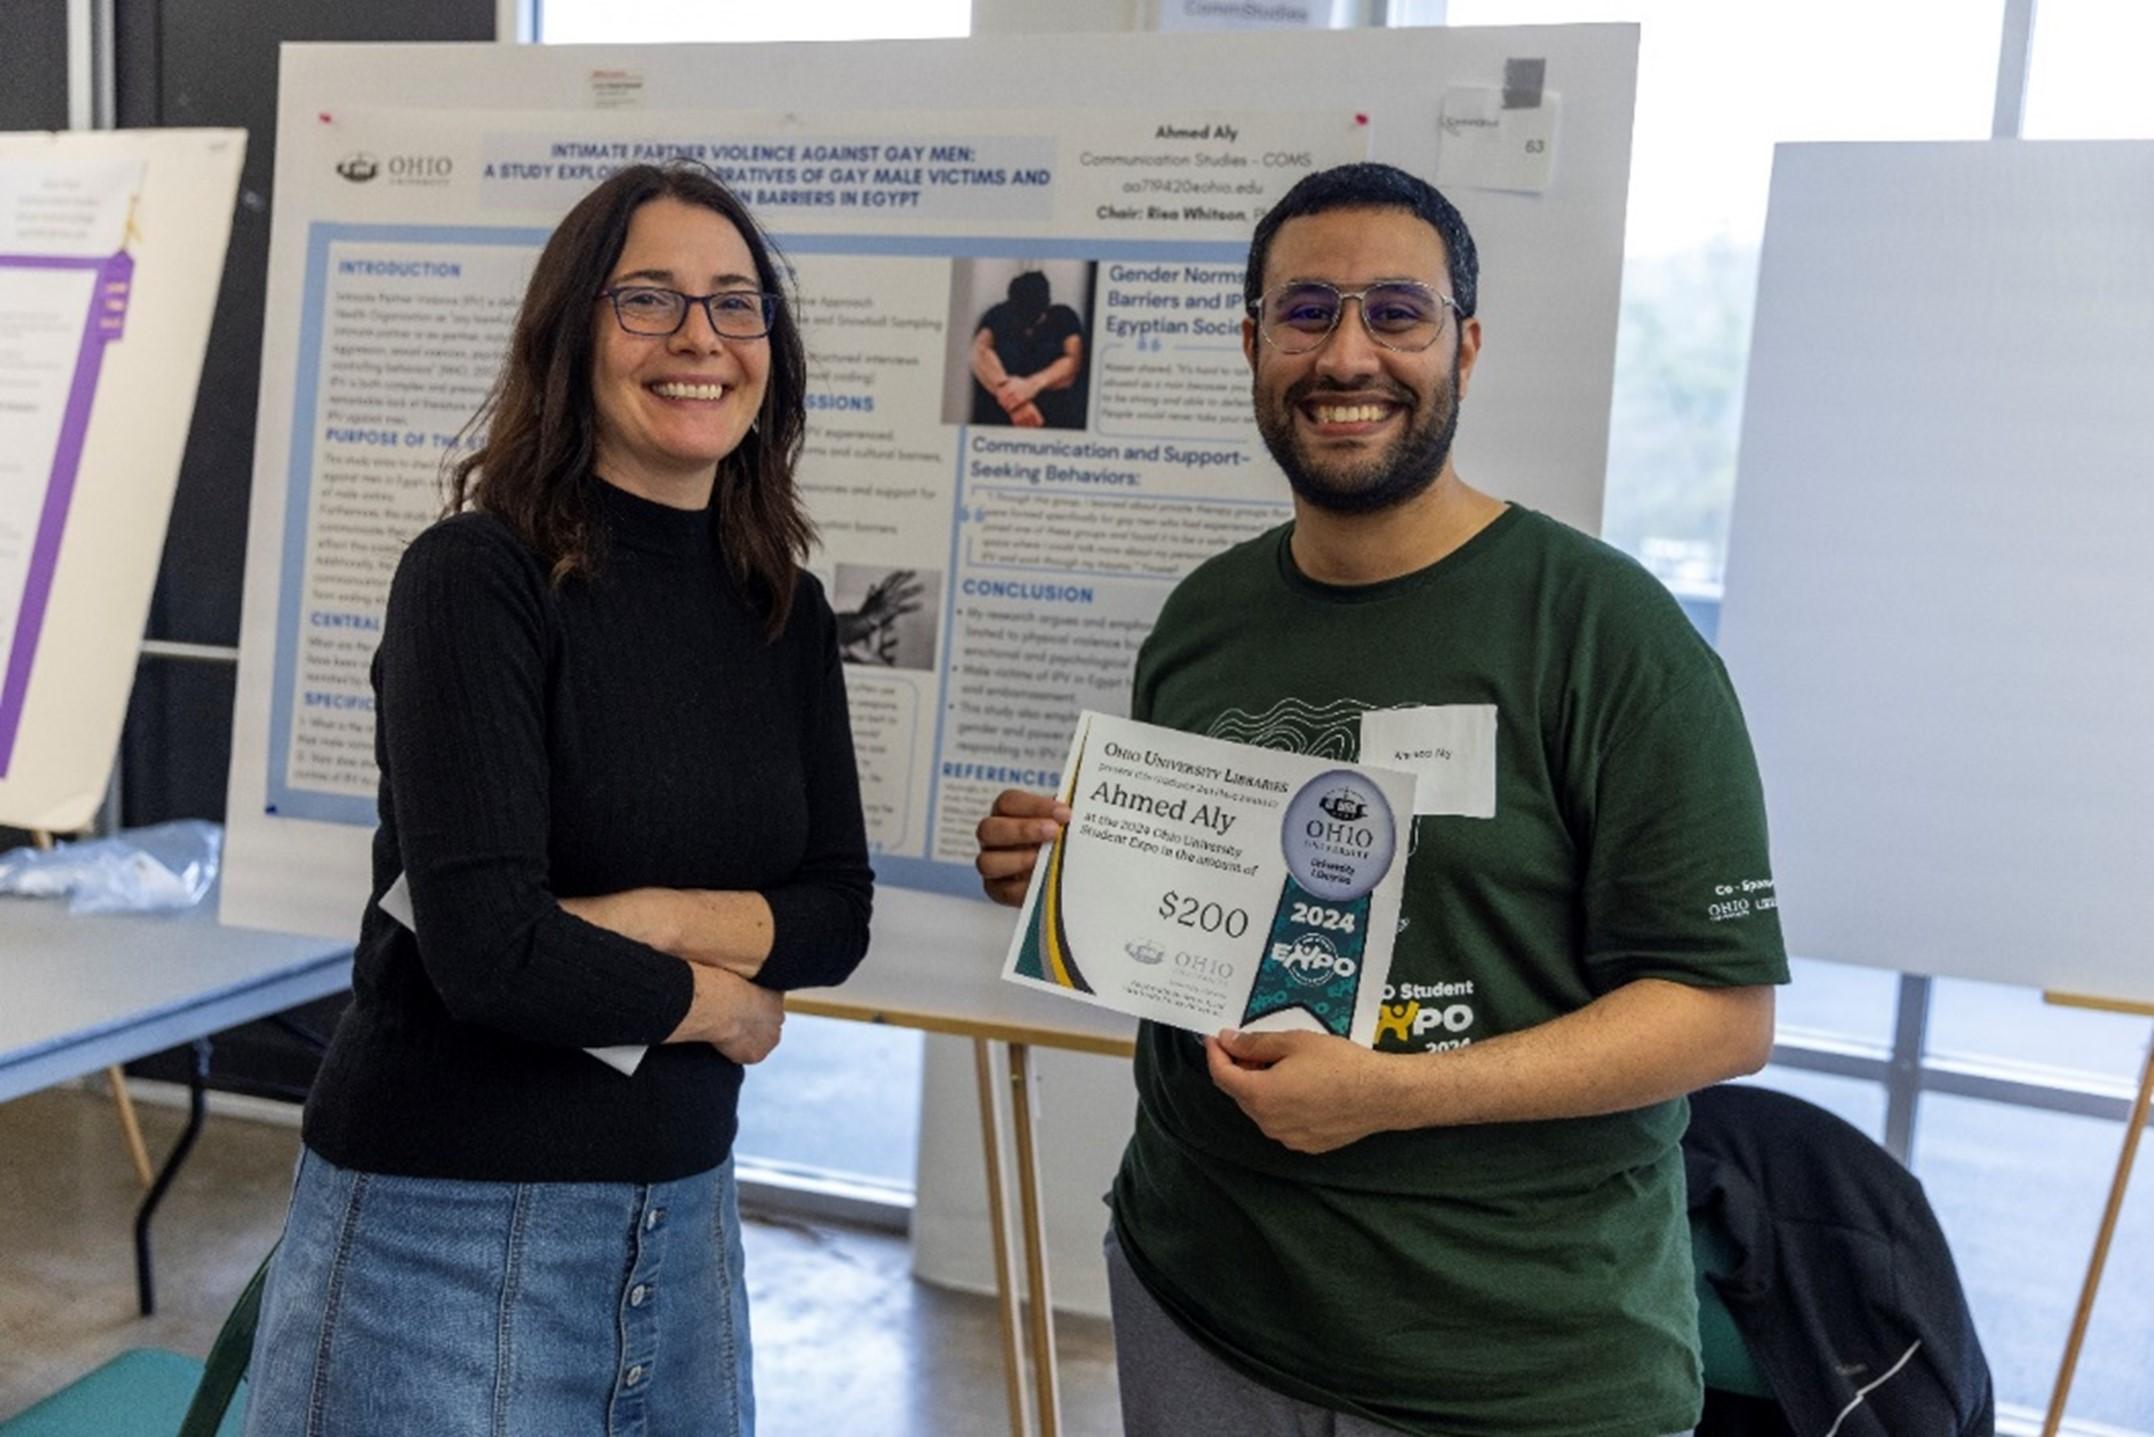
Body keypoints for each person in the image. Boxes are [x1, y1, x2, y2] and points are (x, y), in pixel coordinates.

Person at [974, 162, 1788, 1437]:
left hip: (1511, 1363)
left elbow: (1721, 1013)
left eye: (1396, 313)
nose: (1347, 354)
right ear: (1252, 344)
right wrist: (1082, 877)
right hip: (1202, 1302)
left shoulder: (1605, 631)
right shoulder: (1204, 622)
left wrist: (1394, 1092)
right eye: (1306, 313)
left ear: (1462, 343)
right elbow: (1220, 933)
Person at [245, 163, 873, 1437]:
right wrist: (730, 1005)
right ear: (570, 331)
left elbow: (838, 914)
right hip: (443, 1232)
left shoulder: (784, 609)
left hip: (686, 1222)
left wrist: (635, 918)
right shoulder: (477, 578)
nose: (700, 338)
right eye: (650, 299)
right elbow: (490, 955)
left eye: (736, 304)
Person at [968, 269, 1087, 429]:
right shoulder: (999, 314)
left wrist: (1031, 385)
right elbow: (979, 351)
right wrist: (1015, 402)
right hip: (1000, 417)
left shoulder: (1064, 316)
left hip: (1053, 417)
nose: (1028, 330)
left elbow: (1073, 362)